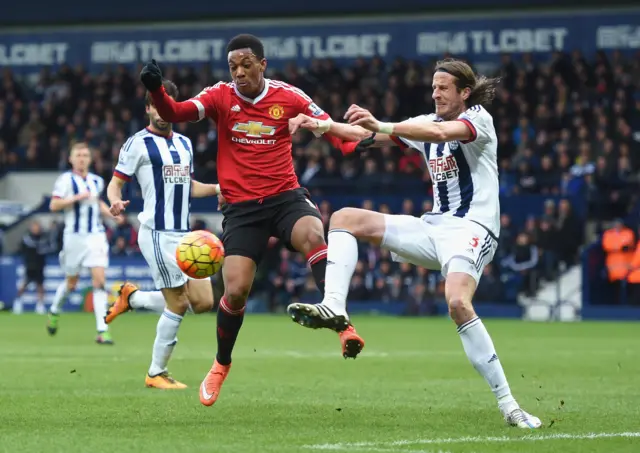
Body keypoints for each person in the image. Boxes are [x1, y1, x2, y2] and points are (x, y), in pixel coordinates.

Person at [286, 58, 542, 429]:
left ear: (464, 93)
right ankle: (334, 306)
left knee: (457, 303)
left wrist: (383, 123)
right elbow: (367, 137)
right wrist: (324, 125)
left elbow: (438, 135)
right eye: (434, 87)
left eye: (443, 87)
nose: (435, 92)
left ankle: (509, 406)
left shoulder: (478, 120)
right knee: (343, 218)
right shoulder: (426, 122)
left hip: (472, 229)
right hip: (434, 227)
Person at [139, 33, 365, 406]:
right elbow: (176, 112)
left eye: (246, 65)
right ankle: (220, 364)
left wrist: (359, 144)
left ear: (262, 65)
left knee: (313, 232)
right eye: (233, 67)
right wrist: (157, 93)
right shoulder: (219, 96)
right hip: (242, 209)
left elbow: (335, 133)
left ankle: (343, 325)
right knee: (236, 290)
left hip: (284, 197)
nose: (239, 72)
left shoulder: (289, 96)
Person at [106, 79, 220, 389]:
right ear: (148, 108)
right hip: (157, 233)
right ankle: (156, 372)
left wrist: (220, 189)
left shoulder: (184, 144)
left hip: (185, 236)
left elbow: (189, 186)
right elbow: (116, 182)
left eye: (167, 104)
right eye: (156, 104)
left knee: (203, 302)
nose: (161, 111)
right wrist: (115, 199)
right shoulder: (137, 143)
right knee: (178, 303)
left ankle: (134, 298)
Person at [47, 142, 117, 344]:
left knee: (99, 281)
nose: (82, 158)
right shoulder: (65, 180)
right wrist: (77, 197)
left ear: (90, 158)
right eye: (78, 155)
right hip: (74, 237)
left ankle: (102, 330)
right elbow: (54, 204)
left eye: (85, 155)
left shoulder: (97, 181)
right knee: (71, 283)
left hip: (96, 235)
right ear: (70, 159)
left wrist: (111, 213)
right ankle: (54, 310)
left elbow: (97, 202)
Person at [13, 221, 51, 315]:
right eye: (34, 227)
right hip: (29, 265)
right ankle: (18, 301)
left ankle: (40, 305)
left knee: (40, 285)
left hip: (40, 265)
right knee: (25, 284)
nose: (36, 229)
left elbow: (49, 248)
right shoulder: (27, 238)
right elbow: (21, 249)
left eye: (37, 227)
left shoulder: (44, 238)